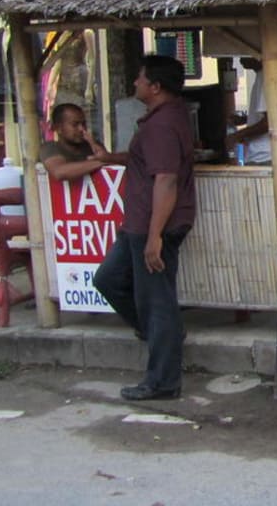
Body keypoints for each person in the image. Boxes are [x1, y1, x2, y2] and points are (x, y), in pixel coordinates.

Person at [92, 56, 196, 402]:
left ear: (155, 87)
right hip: (138, 223)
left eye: (139, 78)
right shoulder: (162, 119)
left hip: (155, 225)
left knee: (157, 302)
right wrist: (109, 158)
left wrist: (154, 236)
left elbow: (165, 180)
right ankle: (162, 333)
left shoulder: (163, 125)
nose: (134, 83)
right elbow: (148, 162)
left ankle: (163, 380)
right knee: (108, 278)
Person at [39, 103, 109, 182]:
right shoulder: (50, 148)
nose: (81, 129)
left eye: (83, 124)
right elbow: (59, 172)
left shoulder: (93, 146)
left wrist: (105, 157)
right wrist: (104, 161)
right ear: (58, 128)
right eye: (75, 124)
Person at [225, 57, 275, 165]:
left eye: (243, 54)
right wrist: (244, 119)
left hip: (264, 155)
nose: (240, 59)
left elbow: (269, 122)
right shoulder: (266, 75)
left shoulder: (267, 77)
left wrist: (238, 135)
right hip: (266, 154)